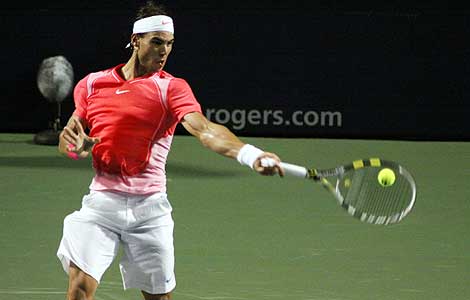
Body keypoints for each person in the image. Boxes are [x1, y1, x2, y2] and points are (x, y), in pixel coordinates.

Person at [56, 1, 284, 300]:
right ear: (136, 41)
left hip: (149, 210)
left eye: (170, 44)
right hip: (101, 205)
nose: (164, 51)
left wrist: (250, 154)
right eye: (157, 42)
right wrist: (75, 149)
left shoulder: (171, 88)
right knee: (79, 290)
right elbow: (68, 141)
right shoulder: (91, 85)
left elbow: (204, 130)